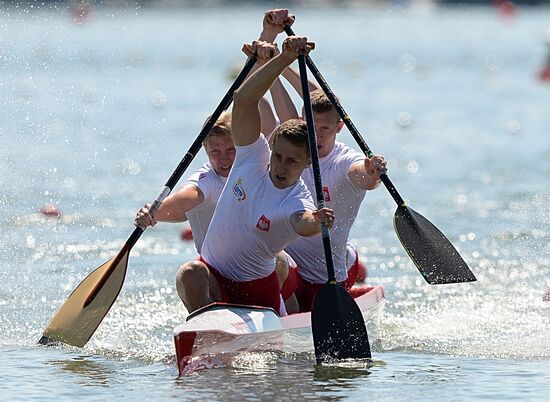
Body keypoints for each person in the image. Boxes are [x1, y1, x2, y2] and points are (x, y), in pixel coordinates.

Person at [177, 36, 334, 316]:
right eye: (278, 156)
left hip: (257, 292)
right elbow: (244, 100)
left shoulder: (297, 198)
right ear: (271, 150)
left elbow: (303, 222)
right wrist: (282, 58)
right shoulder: (252, 157)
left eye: (292, 161)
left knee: (281, 265)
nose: (281, 167)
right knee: (190, 272)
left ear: (308, 162)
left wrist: (318, 221)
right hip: (214, 276)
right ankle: (202, 337)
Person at [259, 9, 388, 312]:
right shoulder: (295, 145)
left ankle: (352, 263)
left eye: (326, 128)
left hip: (326, 280)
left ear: (340, 127)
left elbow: (364, 178)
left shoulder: (346, 161)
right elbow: (256, 92)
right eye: (312, 126)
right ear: (303, 120)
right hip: (288, 271)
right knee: (274, 260)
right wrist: (276, 51)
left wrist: (372, 173)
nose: (316, 136)